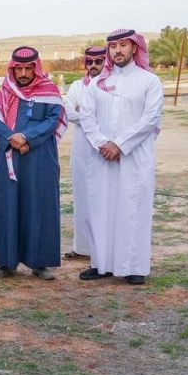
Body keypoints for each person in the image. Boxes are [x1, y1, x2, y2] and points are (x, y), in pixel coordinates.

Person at [78, 29, 164, 285]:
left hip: (134, 158)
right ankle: (100, 264)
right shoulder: (97, 84)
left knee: (133, 209)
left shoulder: (149, 81)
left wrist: (119, 144)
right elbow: (86, 117)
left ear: (134, 48)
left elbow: (150, 119)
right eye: (113, 46)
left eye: (123, 45)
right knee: (100, 209)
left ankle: (134, 267)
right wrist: (103, 144)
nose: (117, 50)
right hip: (102, 157)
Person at [0, 46, 67, 280]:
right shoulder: (4, 93)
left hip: (40, 158)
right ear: (12, 69)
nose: (22, 73)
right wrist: (13, 139)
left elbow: (53, 120)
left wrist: (27, 138)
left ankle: (40, 263)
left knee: (40, 205)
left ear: (36, 68)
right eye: (18, 69)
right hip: (9, 156)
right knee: (7, 205)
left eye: (28, 69)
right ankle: (6, 262)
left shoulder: (49, 91)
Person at [63, 46, 107, 260]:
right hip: (81, 150)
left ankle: (103, 248)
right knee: (81, 198)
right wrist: (94, 118)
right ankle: (81, 248)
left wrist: (85, 114)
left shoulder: (112, 86)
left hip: (105, 149)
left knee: (104, 198)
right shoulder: (77, 86)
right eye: (90, 62)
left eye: (98, 61)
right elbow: (68, 111)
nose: (94, 66)